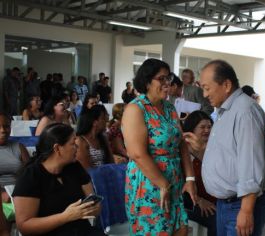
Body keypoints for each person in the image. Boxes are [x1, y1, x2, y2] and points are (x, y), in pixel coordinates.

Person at [191, 60, 265, 236]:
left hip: (241, 204)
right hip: (225, 203)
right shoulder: (224, 111)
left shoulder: (245, 112)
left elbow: (250, 164)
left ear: (226, 85)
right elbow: (228, 157)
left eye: (207, 88)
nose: (204, 94)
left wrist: (246, 211)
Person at [122, 58, 197, 235]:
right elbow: (137, 153)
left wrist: (190, 179)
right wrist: (163, 184)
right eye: (161, 79)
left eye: (168, 78)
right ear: (147, 82)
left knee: (180, 229)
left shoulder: (169, 108)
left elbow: (181, 145)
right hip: (149, 182)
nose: (167, 83)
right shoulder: (136, 109)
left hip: (174, 181)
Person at [12, 123, 104, 235]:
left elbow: (93, 200)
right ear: (57, 148)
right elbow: (24, 226)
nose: (77, 147)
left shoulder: (75, 167)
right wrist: (65, 217)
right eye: (73, 143)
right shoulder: (31, 176)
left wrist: (94, 209)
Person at [182, 111, 217, 236]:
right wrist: (199, 201)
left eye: (209, 126)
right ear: (191, 130)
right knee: (217, 220)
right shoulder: (183, 150)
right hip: (190, 202)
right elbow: (181, 184)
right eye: (202, 127)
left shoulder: (215, 148)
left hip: (214, 199)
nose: (207, 130)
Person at [76, 105, 114, 169]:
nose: (106, 121)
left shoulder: (103, 138)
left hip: (106, 174)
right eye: (103, 118)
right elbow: (86, 169)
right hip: (91, 177)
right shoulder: (81, 141)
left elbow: (111, 161)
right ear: (95, 122)